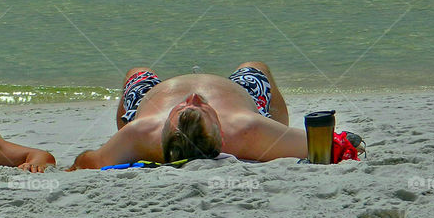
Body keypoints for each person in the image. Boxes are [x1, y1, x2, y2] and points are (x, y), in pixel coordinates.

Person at [71, 62, 321, 169]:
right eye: (202, 109)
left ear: (164, 132)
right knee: (255, 67)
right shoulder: (247, 128)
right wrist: (274, 134)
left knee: (138, 72)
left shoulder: (140, 132)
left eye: (181, 109)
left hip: (149, 102)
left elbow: (86, 163)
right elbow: (325, 145)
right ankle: (273, 125)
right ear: (220, 132)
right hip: (242, 95)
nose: (192, 97)